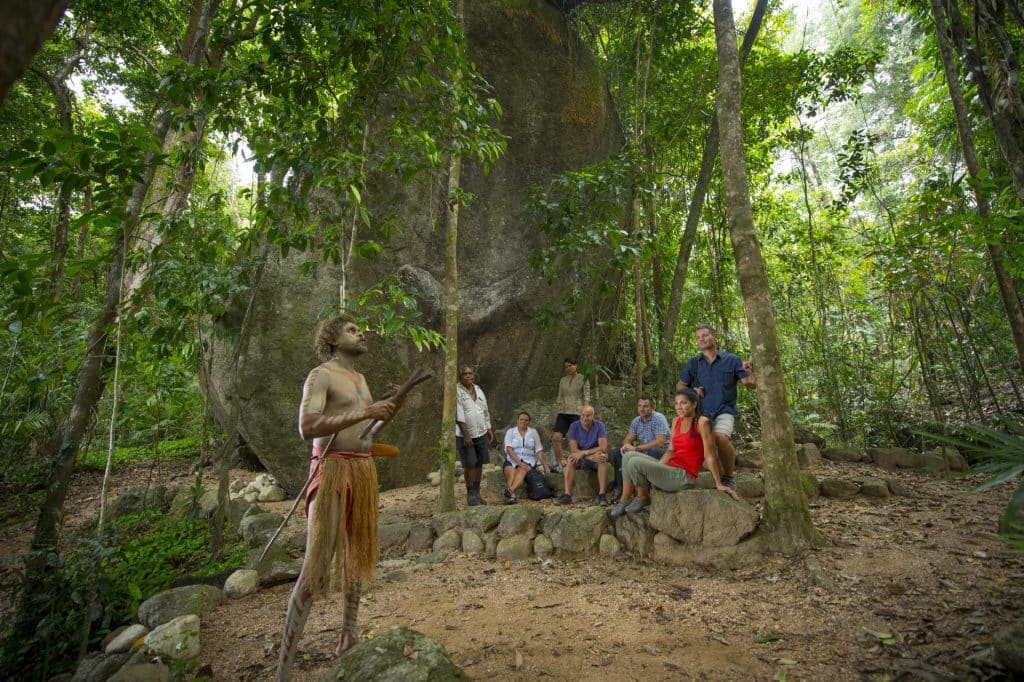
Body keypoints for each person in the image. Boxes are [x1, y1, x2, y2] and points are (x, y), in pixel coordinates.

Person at [275, 315, 400, 681]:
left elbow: (364, 431)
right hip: (331, 472)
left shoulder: (360, 379)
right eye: (352, 330)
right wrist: (366, 411)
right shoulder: (321, 375)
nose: (361, 334)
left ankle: (349, 635)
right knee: (315, 571)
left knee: (357, 556)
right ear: (332, 339)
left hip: (362, 472)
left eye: (361, 329)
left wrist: (386, 408)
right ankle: (283, 667)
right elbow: (307, 427)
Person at [610, 388, 738, 519]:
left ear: (694, 404)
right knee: (628, 456)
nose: (679, 407)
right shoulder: (677, 421)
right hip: (671, 468)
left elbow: (709, 455)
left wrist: (718, 483)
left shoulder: (702, 422)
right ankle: (626, 499)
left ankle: (642, 496)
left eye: (683, 403)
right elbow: (670, 450)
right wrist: (657, 468)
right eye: (676, 403)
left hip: (683, 476)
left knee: (635, 462)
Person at [676, 324, 755, 490]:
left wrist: (750, 370)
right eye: (698, 338)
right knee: (708, 446)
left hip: (724, 410)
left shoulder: (732, 360)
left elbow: (750, 384)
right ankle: (719, 480)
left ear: (715, 336)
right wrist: (692, 390)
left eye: (705, 335)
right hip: (702, 414)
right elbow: (680, 386)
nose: (701, 339)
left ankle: (729, 477)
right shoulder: (693, 364)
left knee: (720, 437)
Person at [609, 395, 669, 498]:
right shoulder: (636, 421)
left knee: (653, 450)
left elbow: (660, 442)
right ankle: (620, 488)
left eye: (645, 406)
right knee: (617, 452)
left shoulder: (658, 418)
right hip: (644, 450)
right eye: (639, 406)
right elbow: (628, 439)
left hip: (662, 452)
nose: (641, 409)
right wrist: (626, 446)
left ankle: (649, 489)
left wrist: (636, 448)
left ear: (652, 408)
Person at [554, 405, 610, 506]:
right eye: (583, 415)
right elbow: (574, 450)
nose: (585, 418)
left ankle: (602, 494)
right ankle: (567, 494)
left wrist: (585, 453)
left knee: (602, 457)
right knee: (571, 459)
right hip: (584, 457)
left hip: (594, 456)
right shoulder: (574, 426)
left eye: (588, 416)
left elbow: (603, 447)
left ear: (593, 416)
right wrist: (588, 456)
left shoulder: (599, 425)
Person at [456, 365, 494, 506]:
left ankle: (477, 493)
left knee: (479, 463)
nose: (468, 376)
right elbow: (458, 414)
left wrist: (489, 428)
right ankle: (470, 494)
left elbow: (484, 410)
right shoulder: (457, 391)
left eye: (470, 373)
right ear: (461, 376)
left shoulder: (478, 389)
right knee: (469, 464)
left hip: (481, 432)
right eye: (465, 374)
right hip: (465, 434)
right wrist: (466, 435)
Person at [551, 357, 589, 473]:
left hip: (577, 413)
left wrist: (585, 414)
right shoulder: (563, 380)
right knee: (556, 437)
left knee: (575, 440)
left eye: (570, 366)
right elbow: (559, 397)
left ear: (576, 365)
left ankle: (576, 463)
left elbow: (586, 397)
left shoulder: (583, 379)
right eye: (566, 367)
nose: (568, 368)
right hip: (563, 412)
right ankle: (560, 463)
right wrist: (556, 412)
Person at [502, 411, 549, 504]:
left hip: (529, 461)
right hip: (511, 460)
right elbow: (509, 450)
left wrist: (545, 466)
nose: (523, 421)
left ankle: (510, 491)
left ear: (529, 422)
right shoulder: (511, 432)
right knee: (511, 472)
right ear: (517, 420)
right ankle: (512, 496)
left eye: (526, 420)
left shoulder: (533, 432)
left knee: (521, 470)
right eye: (521, 419)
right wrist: (520, 463)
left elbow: (539, 450)